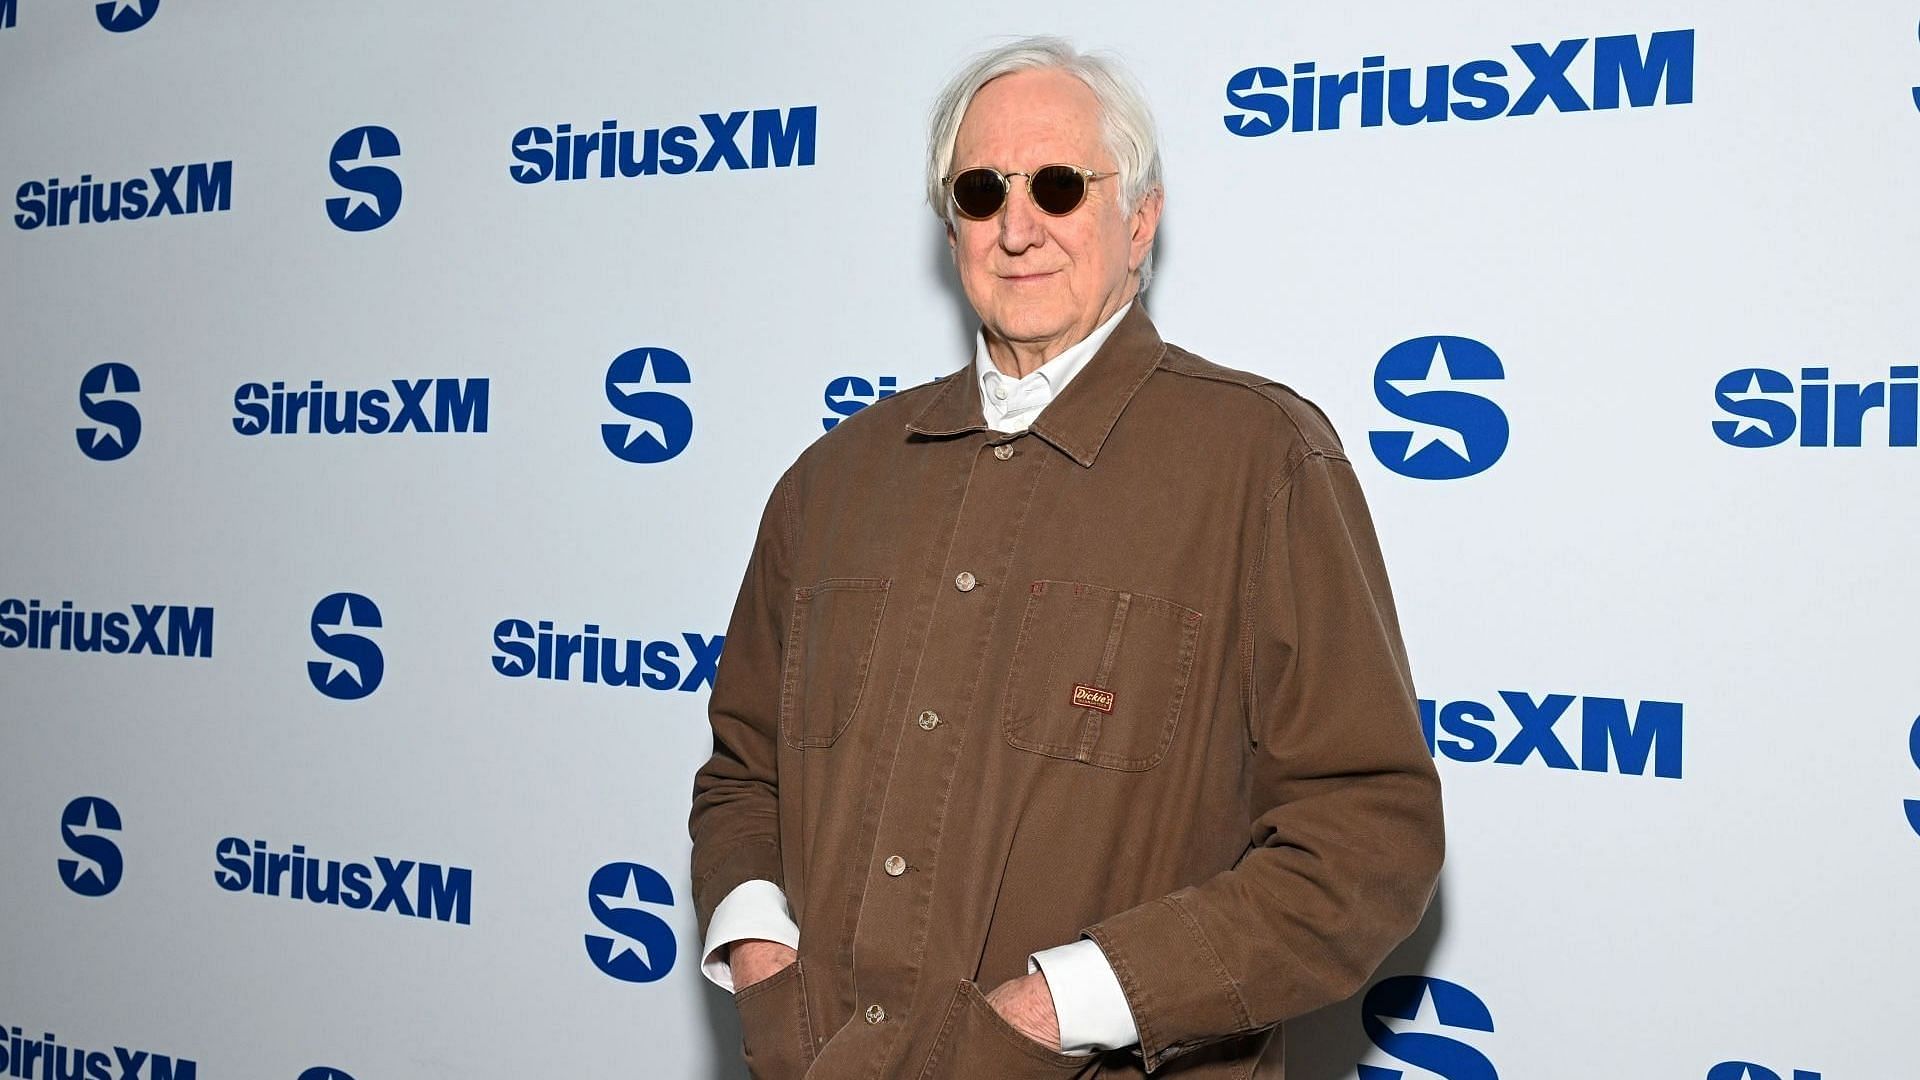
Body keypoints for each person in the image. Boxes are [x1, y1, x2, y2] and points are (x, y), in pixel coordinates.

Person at [689, 36, 1444, 1079]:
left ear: (1139, 222)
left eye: (1057, 185)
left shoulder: (1262, 461)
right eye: (980, 190)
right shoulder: (831, 481)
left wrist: (1070, 1003)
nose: (1018, 226)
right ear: (949, 225)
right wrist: (761, 952)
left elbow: (1368, 842)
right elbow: (743, 773)